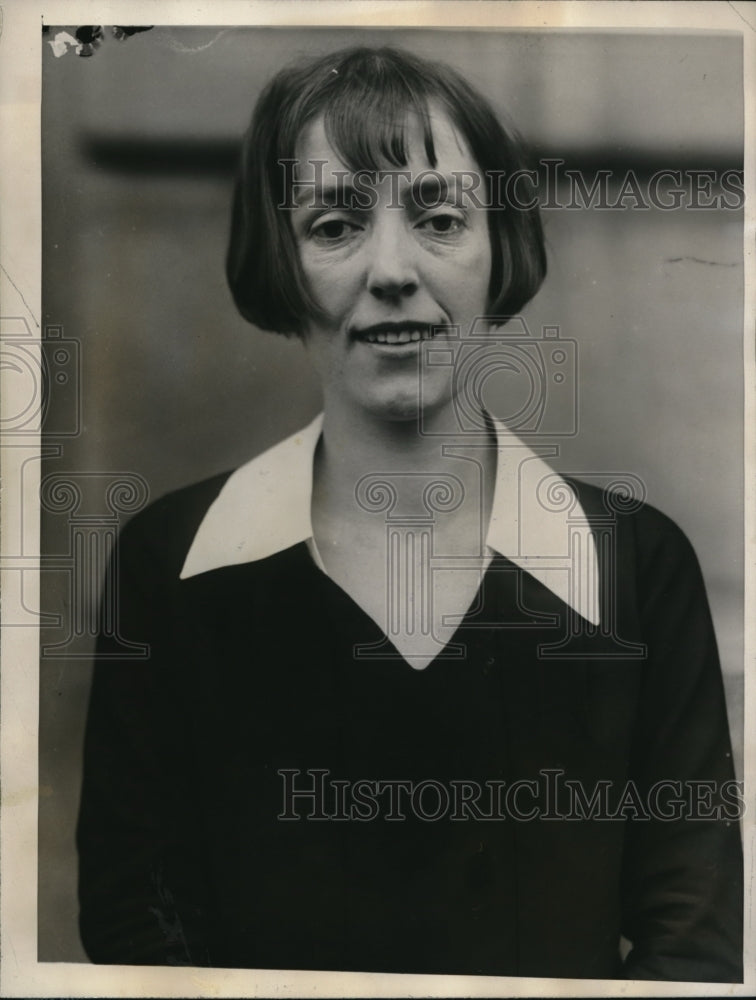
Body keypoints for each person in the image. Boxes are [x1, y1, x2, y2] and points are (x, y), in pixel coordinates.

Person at [76, 45, 743, 981]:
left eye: (438, 216)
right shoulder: (173, 565)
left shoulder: (634, 565)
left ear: (499, 248)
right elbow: (136, 924)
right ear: (279, 259)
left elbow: (695, 938)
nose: (392, 269)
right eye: (335, 223)